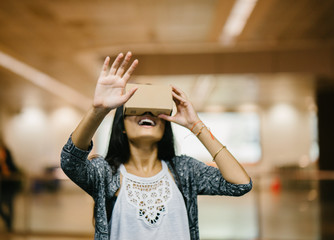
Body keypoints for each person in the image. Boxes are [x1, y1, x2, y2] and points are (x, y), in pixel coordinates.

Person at [60, 52, 252, 240]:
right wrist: (98, 111)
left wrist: (196, 126)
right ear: (123, 126)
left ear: (164, 125)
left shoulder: (184, 170)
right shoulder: (105, 173)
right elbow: (70, 162)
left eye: (155, 110)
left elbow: (240, 184)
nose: (147, 113)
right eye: (137, 108)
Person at [0, 137, 22, 232]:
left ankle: (9, 226)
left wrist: (4, 167)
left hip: (10, 188)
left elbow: (9, 173)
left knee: (10, 207)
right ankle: (7, 221)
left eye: (1, 153)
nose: (0, 155)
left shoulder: (10, 164)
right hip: (2, 188)